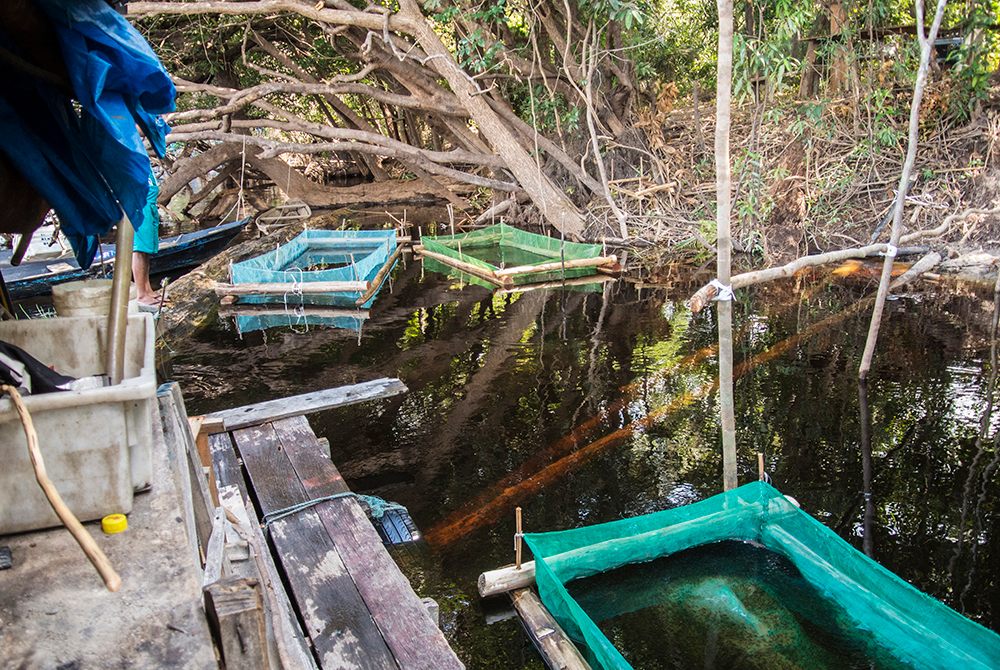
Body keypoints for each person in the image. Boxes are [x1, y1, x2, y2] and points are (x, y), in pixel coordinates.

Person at [132, 169, 161, 308]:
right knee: (139, 250)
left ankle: (148, 289)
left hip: (149, 205)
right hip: (139, 206)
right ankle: (141, 294)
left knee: (146, 251)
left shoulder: (144, 161)